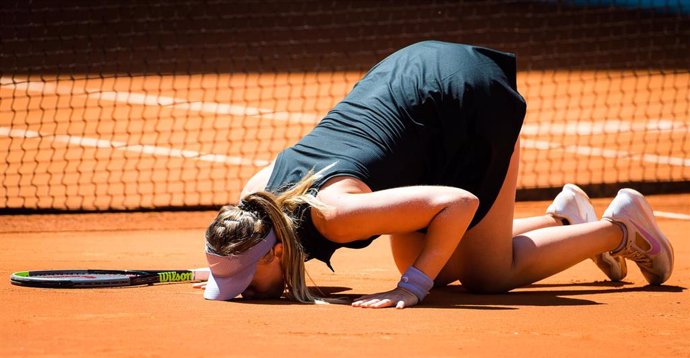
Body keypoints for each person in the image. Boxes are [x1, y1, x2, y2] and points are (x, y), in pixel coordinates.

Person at [199, 41, 674, 309]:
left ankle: (621, 229)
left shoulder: (335, 215)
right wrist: (227, 262)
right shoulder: (256, 200)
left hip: (460, 101)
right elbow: (245, 238)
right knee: (441, 264)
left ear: (276, 251)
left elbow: (457, 203)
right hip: (412, 83)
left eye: (245, 281)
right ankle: (564, 220)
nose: (246, 293)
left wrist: (412, 288)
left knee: (488, 275)